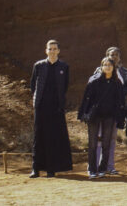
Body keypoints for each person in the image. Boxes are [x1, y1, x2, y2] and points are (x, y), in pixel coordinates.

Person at [29, 40, 73, 178]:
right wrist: (37, 101)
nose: (52, 51)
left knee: (53, 137)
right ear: (46, 51)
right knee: (38, 137)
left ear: (59, 51)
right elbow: (33, 85)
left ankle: (51, 169)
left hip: (56, 108)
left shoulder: (64, 66)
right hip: (41, 107)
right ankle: (35, 169)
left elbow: (65, 86)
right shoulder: (39, 66)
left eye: (55, 49)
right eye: (50, 49)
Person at [78, 56, 125, 178]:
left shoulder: (117, 83)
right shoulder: (94, 82)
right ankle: (92, 170)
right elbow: (86, 99)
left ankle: (103, 169)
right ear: (101, 67)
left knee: (106, 143)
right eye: (105, 65)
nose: (108, 67)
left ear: (113, 67)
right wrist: (84, 114)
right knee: (93, 143)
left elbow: (120, 101)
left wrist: (120, 118)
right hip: (95, 116)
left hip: (109, 116)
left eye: (110, 65)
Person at [92, 47, 127, 175]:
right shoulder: (100, 70)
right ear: (106, 56)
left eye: (116, 55)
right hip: (99, 110)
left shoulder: (125, 72)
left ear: (119, 57)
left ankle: (109, 166)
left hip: (115, 110)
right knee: (99, 138)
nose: (114, 57)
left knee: (112, 138)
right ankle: (96, 166)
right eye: (111, 54)